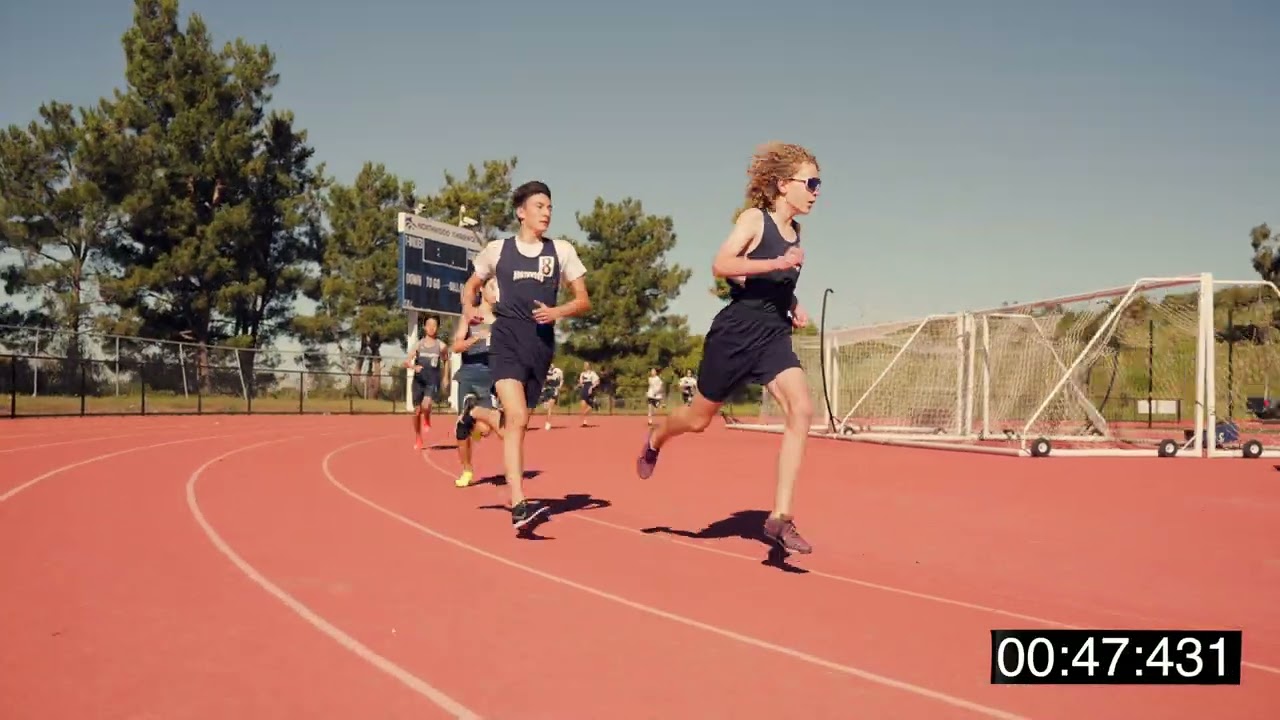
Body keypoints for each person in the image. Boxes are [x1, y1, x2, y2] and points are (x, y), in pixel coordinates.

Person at [635, 141, 819, 555]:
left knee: (802, 410)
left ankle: (780, 518)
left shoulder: (797, 231)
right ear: (783, 184)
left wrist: (792, 303)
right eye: (811, 182)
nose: (816, 191)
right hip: (735, 334)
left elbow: (771, 284)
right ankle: (656, 436)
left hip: (773, 335)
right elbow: (723, 265)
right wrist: (777, 265)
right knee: (698, 421)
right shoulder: (756, 219)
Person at [456, 180, 591, 530]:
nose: (546, 213)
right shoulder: (497, 250)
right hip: (506, 339)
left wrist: (558, 312)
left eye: (549, 207)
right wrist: (469, 308)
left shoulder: (561, 251)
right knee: (515, 418)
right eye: (539, 206)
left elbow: (583, 300)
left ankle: (476, 411)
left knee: (519, 423)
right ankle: (519, 503)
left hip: (541, 345)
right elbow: (470, 286)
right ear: (521, 211)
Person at [451, 279, 504, 488]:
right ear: (481, 289)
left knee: (485, 428)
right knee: (462, 424)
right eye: (493, 287)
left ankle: (476, 430)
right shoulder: (470, 317)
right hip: (468, 376)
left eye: (499, 288)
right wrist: (475, 339)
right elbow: (455, 346)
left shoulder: (501, 321)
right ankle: (467, 470)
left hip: (490, 379)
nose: (496, 292)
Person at [404, 315, 449, 450]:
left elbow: (446, 360)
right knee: (416, 412)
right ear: (424, 327)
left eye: (434, 325)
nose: (431, 328)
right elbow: (406, 362)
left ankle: (427, 418)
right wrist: (413, 367)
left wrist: (445, 377)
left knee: (426, 404)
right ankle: (418, 437)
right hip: (418, 381)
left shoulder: (441, 346)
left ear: (437, 328)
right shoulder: (418, 345)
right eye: (429, 325)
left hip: (432, 380)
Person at [538, 364, 564, 430]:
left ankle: (548, 423)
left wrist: (559, 387)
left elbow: (561, 380)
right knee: (545, 406)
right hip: (546, 389)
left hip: (554, 389)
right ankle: (545, 403)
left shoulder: (558, 371)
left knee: (550, 407)